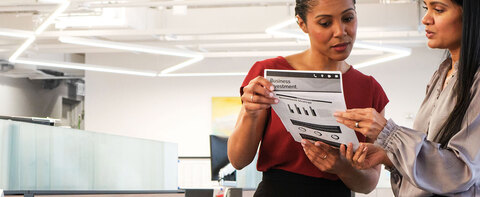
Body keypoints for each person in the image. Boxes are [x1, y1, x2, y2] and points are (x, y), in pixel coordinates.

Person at [227, 0, 389, 196]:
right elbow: (238, 160)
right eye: (325, 23)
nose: (340, 31)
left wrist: (343, 168)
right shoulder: (269, 74)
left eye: (348, 18)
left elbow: (368, 184)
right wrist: (250, 113)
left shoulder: (369, 88)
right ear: (302, 23)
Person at [334, 0, 480, 196]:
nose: (426, 19)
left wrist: (389, 134)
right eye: (425, 8)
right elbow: (432, 172)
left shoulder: (476, 80)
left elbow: (461, 173)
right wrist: (390, 157)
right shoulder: (442, 74)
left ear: (472, 15)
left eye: (438, 9)